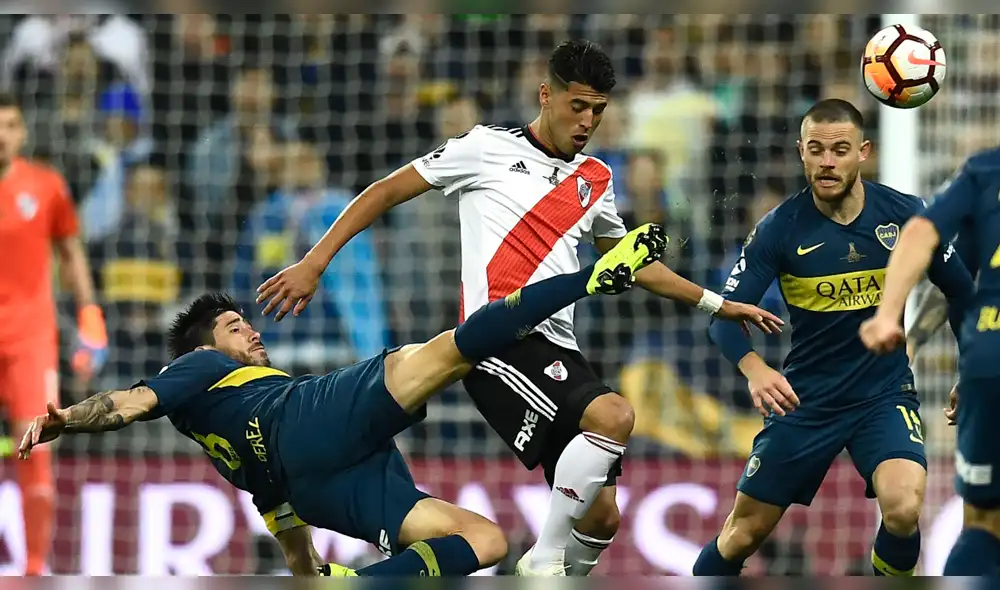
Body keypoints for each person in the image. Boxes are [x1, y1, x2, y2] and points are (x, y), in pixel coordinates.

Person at [254, 39, 782, 577]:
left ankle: (552, 576)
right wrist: (315, 261)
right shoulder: (484, 147)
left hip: (559, 348)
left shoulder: (596, 178)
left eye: (598, 110)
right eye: (578, 106)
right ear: (546, 95)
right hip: (497, 339)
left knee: (602, 517)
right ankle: (542, 559)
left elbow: (630, 263)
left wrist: (717, 303)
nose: (587, 121)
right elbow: (385, 191)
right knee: (615, 415)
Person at [19, 223, 668, 577]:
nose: (251, 331)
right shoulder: (199, 367)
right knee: (446, 349)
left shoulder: (224, 441)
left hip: (313, 487)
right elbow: (133, 401)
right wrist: (68, 419)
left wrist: (315, 575)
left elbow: (285, 529)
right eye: (235, 326)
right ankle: (592, 277)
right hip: (307, 419)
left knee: (485, 540)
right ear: (206, 346)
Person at [693, 98, 976, 577]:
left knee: (904, 508)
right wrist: (755, 368)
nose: (827, 162)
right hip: (806, 401)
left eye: (840, 150)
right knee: (742, 535)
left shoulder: (908, 215)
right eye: (816, 150)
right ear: (800, 152)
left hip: (882, 395)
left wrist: (970, 368)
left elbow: (962, 293)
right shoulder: (778, 229)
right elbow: (722, 316)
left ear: (863, 152)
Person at [860, 146, 1000, 575]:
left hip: (990, 358)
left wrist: (888, 316)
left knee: (984, 523)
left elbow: (921, 233)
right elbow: (955, 281)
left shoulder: (986, 169)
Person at [0, 92, 107, 576]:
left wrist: (90, 314)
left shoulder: (46, 187)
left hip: (30, 341)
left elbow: (70, 252)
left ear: (22, 133)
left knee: (36, 450)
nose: (2, 135)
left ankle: (34, 569)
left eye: (10, 125)